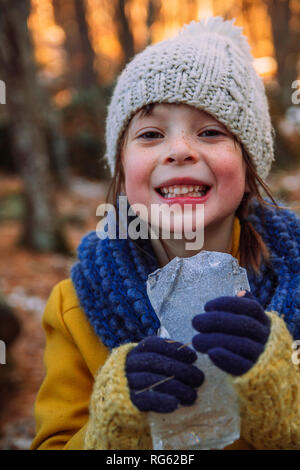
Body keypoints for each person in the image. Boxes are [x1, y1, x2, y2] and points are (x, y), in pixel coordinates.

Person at [30, 16, 300, 450]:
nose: (179, 150)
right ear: (121, 168)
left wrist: (277, 393)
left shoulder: (297, 278)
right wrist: (120, 422)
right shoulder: (74, 307)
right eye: (151, 134)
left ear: (250, 168)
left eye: (210, 131)